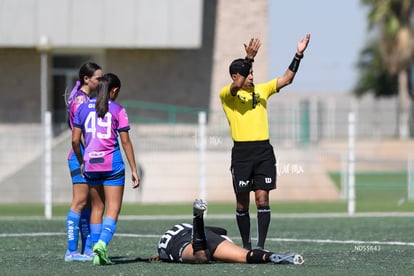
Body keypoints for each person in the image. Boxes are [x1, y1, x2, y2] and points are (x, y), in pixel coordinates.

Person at [219, 35, 311, 250]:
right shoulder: (227, 94)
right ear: (235, 76)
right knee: (242, 202)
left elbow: (286, 79)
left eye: (252, 72)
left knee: (262, 199)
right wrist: (248, 59)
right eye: (247, 73)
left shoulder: (262, 90)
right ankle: (246, 246)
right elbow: (237, 86)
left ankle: (260, 246)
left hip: (263, 151)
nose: (251, 76)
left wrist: (298, 54)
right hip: (242, 153)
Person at [72, 73, 140, 265]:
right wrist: (134, 169)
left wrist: (82, 161)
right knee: (112, 208)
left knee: (97, 207)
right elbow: (125, 141)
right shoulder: (118, 109)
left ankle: (95, 254)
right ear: (114, 90)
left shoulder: (83, 108)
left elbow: (75, 140)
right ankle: (101, 244)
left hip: (91, 164)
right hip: (112, 165)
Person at [150, 199, 303, 264]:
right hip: (205, 236)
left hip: (179, 244)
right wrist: (222, 238)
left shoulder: (165, 244)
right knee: (245, 256)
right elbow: (221, 230)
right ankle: (271, 257)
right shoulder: (180, 231)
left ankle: (198, 218)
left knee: (201, 257)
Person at [65, 62, 103, 262]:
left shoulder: (85, 98)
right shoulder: (80, 100)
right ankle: (71, 251)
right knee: (79, 202)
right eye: (98, 78)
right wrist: (84, 159)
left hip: (86, 156)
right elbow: (78, 136)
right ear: (87, 79)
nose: (100, 81)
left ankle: (86, 249)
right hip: (80, 157)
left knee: (88, 204)